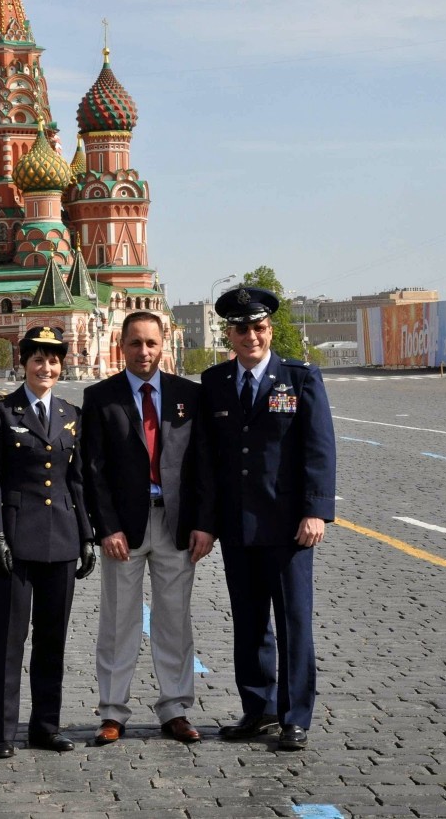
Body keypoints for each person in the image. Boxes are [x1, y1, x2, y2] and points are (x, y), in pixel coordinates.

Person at [198, 286, 336, 751]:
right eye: (241, 329)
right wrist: (209, 520)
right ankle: (258, 709)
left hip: (288, 526)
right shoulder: (214, 382)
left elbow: (319, 448)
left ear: (270, 330)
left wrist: (315, 512)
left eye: (258, 327)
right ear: (229, 334)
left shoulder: (298, 378)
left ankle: (295, 715)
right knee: (249, 622)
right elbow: (211, 459)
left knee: (294, 622)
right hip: (238, 525)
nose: (250, 336)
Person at [81, 311, 215, 746]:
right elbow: (94, 470)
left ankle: (175, 710)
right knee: (118, 622)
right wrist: (107, 528)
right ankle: (113, 712)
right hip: (124, 530)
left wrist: (204, 524)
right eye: (136, 343)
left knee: (174, 621)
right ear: (122, 346)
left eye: (151, 343)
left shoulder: (188, 396)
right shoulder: (100, 397)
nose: (144, 351)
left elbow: (203, 468)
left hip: (176, 526)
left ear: (163, 346)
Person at [0, 325, 96, 758]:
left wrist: (86, 535)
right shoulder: (0, 412)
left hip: (61, 540)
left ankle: (45, 726)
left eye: (54, 359)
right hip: (16, 541)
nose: (47, 367)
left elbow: (76, 481)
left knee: (52, 641)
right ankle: (3, 732)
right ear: (23, 363)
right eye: (38, 359)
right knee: (8, 640)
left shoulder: (70, 415)